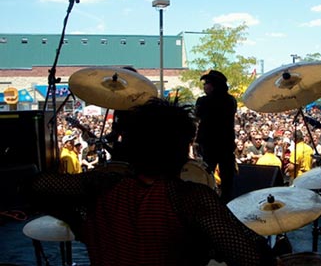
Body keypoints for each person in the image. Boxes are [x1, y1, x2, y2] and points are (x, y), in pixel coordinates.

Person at [29, 98, 275, 266]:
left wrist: (84, 209)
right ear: (181, 150)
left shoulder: (100, 188)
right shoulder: (190, 198)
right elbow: (253, 259)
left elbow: (34, 186)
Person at [195, 70, 237, 203]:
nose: (204, 86)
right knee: (227, 183)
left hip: (209, 146)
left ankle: (206, 202)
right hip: (226, 147)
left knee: (206, 178)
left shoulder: (203, 101)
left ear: (214, 85)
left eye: (206, 83)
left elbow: (198, 115)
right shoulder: (231, 101)